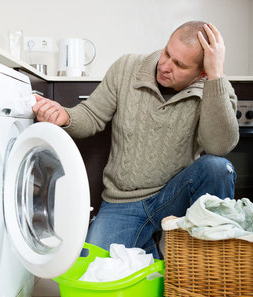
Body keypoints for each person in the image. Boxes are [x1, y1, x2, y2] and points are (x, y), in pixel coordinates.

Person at [32, 21, 239, 258]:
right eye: (167, 53)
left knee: (217, 168)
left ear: (201, 73)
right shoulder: (127, 68)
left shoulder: (215, 88)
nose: (165, 66)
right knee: (92, 269)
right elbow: (92, 115)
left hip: (175, 199)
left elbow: (219, 146)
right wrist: (65, 116)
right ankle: (151, 251)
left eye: (179, 65)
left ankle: (205, 259)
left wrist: (215, 76)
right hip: (122, 203)